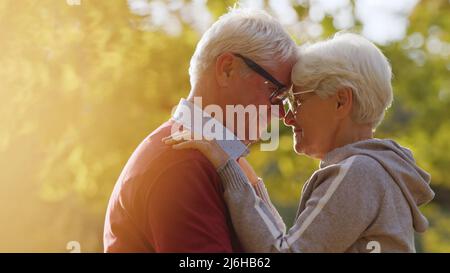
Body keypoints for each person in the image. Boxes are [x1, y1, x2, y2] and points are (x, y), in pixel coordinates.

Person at [165, 33, 435, 252]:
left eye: (298, 100)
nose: (287, 116)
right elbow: (290, 242)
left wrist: (226, 167)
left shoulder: (358, 172)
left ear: (341, 101)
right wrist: (250, 183)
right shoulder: (373, 170)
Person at [103, 8, 297, 252]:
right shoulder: (182, 161)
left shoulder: (210, 159)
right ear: (227, 69)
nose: (282, 113)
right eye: (276, 93)